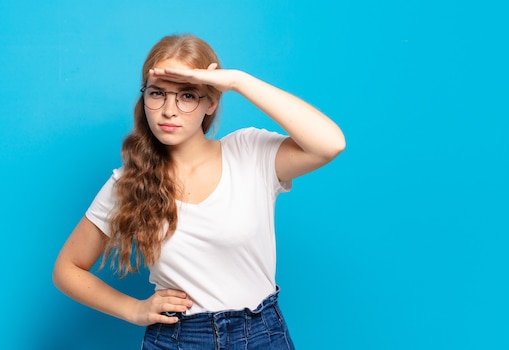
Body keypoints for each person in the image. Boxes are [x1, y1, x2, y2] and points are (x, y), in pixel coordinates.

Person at [52, 33, 345, 349]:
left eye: (188, 95)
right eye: (157, 93)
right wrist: (134, 309)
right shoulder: (129, 181)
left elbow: (330, 144)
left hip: (260, 335)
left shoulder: (249, 152)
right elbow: (67, 269)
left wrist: (237, 81)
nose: (168, 110)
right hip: (178, 339)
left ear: (211, 101)